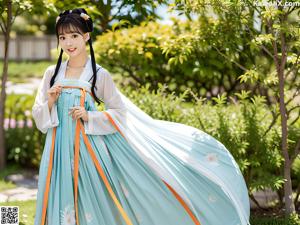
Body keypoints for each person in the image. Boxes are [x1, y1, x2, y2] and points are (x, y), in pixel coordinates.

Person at [32, 8, 250, 225]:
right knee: (59, 193)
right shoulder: (52, 73)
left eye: (74, 36)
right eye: (63, 37)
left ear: (86, 36)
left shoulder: (98, 74)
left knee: (90, 198)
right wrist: (51, 100)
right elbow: (39, 113)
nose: (69, 42)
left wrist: (89, 116)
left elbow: (119, 112)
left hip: (89, 150)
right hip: (58, 147)